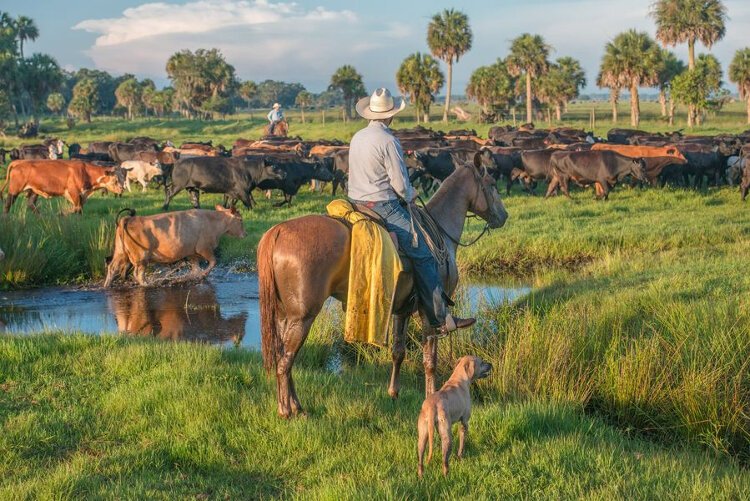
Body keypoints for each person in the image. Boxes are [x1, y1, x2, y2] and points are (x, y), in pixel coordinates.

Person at [347, 88, 475, 337]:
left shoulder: (357, 137)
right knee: (424, 254)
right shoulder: (388, 140)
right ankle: (440, 319)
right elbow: (400, 184)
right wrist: (410, 195)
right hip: (382, 206)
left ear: (371, 113)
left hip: (355, 203)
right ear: (390, 115)